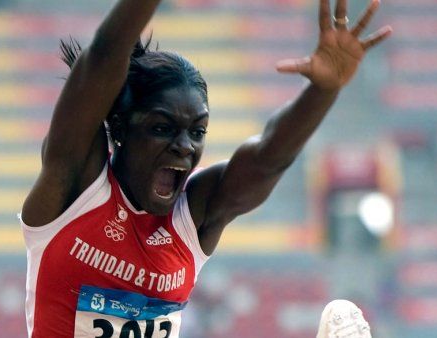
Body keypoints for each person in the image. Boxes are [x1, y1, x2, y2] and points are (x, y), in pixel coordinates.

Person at [19, 0, 391, 336]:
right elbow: (103, 56)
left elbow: (267, 160)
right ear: (120, 127)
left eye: (197, 132)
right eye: (162, 128)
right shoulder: (74, 189)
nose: (184, 147)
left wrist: (322, 90)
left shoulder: (193, 215)